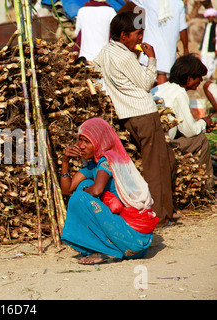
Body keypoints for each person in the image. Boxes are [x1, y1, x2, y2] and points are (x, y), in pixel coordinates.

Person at [94, 11, 177, 228]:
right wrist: (151, 58)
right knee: (156, 165)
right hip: (144, 113)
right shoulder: (125, 56)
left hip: (127, 115)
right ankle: (159, 216)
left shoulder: (107, 51)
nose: (141, 39)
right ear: (123, 36)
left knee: (165, 158)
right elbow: (146, 83)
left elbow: (93, 68)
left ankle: (165, 210)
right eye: (138, 34)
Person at [60, 118, 158, 265]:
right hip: (132, 241)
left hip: (133, 238)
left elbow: (97, 189)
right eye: (80, 141)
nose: (81, 146)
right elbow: (67, 189)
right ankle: (106, 247)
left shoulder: (107, 160)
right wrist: (65, 161)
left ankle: (108, 251)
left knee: (80, 196)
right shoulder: (94, 164)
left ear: (100, 141)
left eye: (87, 141)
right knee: (83, 186)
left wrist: (83, 198)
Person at [151, 54, 216, 191]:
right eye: (199, 77)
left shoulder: (161, 87)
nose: (200, 81)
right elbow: (189, 130)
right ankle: (207, 189)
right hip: (162, 145)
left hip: (151, 139)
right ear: (189, 78)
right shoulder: (179, 93)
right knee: (201, 140)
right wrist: (204, 123)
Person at [122, 0, 189, 85]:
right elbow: (183, 28)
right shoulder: (178, 3)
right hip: (168, 49)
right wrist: (186, 48)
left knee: (147, 78)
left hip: (149, 48)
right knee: (163, 77)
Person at [200, 8, 217, 80]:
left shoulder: (215, 25)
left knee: (211, 60)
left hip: (212, 46)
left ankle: (210, 75)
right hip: (205, 45)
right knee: (204, 59)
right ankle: (205, 75)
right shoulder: (207, 25)